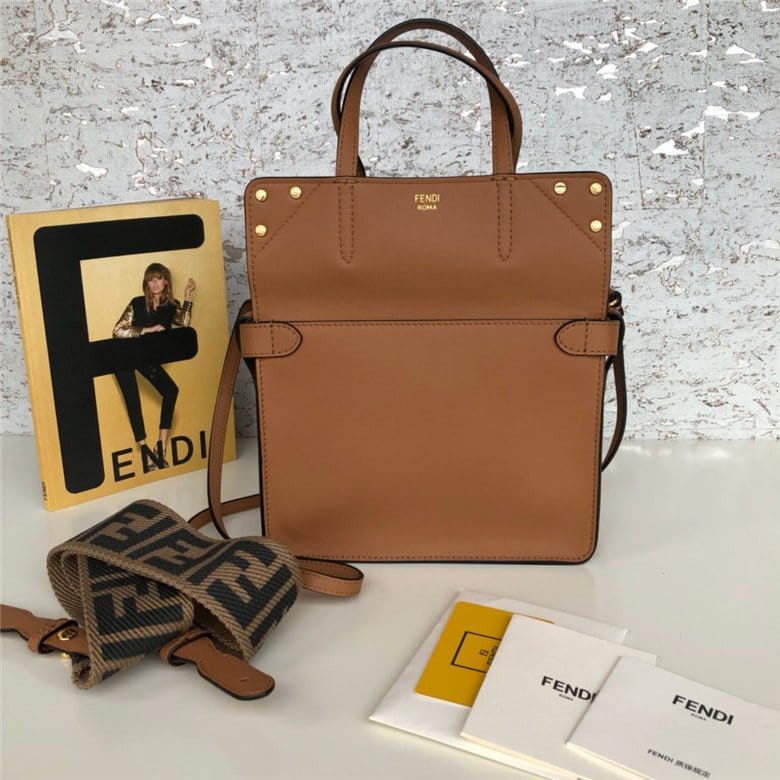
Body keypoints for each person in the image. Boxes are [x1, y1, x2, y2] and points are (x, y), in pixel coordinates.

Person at [113, 262, 196, 469]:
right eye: (151, 280)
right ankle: (145, 452)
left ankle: (161, 447)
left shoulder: (171, 306)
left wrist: (187, 298)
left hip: (147, 358)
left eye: (158, 278)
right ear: (146, 283)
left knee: (171, 391)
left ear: (165, 281)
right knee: (132, 398)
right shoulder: (137, 303)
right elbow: (118, 330)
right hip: (125, 356)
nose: (155, 283)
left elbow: (184, 323)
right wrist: (148, 330)